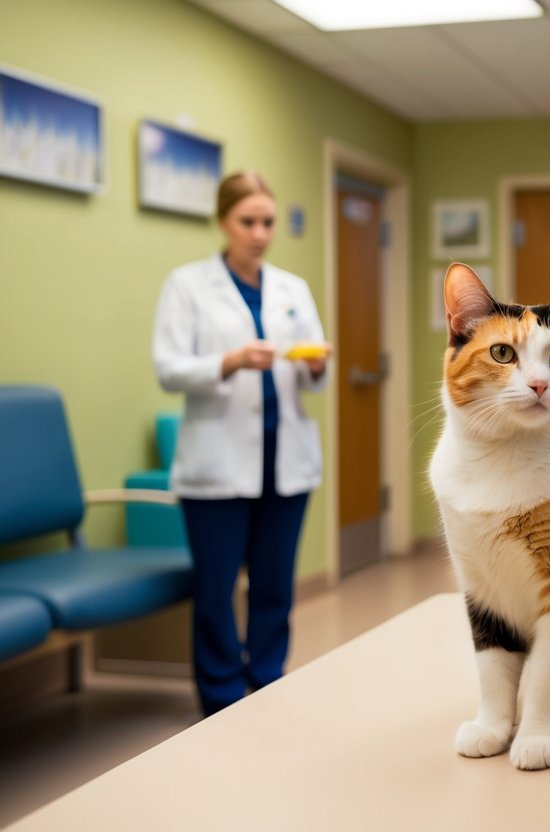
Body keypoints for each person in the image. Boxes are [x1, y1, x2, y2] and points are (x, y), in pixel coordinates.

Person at [152, 171, 331, 715]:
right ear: (224, 222)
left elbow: (310, 369)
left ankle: (267, 680)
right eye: (247, 221)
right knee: (216, 592)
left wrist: (317, 364)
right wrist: (227, 361)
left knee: (275, 586)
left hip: (286, 462)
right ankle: (222, 696)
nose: (259, 233)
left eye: (267, 222)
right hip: (217, 467)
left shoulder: (291, 289)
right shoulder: (187, 285)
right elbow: (168, 369)